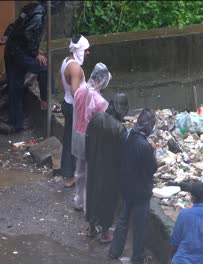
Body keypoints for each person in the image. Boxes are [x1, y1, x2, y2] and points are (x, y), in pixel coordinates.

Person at [109, 109, 157, 263]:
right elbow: (152, 168)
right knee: (139, 225)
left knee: (123, 220)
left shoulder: (128, 136)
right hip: (141, 191)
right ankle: (137, 256)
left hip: (127, 186)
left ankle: (114, 250)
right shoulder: (144, 146)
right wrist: (153, 153)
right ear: (148, 127)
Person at [85, 93, 129, 243]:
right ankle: (105, 233)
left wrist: (89, 158)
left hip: (94, 165)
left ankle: (91, 228)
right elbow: (123, 156)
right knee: (108, 201)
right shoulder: (120, 129)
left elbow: (88, 140)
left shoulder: (96, 118)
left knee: (92, 194)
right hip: (111, 171)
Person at [1, 1, 48, 132]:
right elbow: (29, 34)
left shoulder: (30, 7)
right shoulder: (39, 13)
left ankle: (17, 123)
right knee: (43, 67)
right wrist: (35, 53)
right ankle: (44, 100)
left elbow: (15, 25)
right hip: (18, 53)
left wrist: (6, 35)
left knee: (15, 87)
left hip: (12, 51)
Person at [71, 62, 111, 211]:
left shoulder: (80, 91)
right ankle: (89, 207)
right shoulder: (99, 101)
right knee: (91, 174)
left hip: (77, 135)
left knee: (80, 171)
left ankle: (78, 201)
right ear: (102, 80)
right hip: (91, 139)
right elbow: (102, 123)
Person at [60, 34, 90, 188]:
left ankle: (69, 173)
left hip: (67, 103)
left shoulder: (66, 62)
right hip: (73, 107)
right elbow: (75, 92)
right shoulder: (75, 68)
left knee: (69, 140)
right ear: (79, 50)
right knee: (74, 142)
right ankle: (71, 176)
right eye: (86, 50)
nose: (87, 53)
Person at [170, 182, 203, 264]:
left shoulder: (183, 214)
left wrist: (172, 258)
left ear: (192, 197)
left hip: (181, 260)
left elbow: (175, 242)